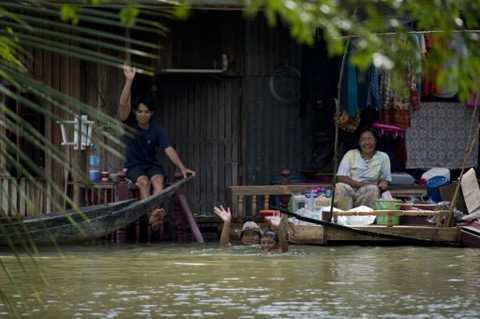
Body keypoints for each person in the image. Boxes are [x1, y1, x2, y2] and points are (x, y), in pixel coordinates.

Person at [120, 65, 196, 230]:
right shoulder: (129, 123)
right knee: (144, 182)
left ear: (151, 113)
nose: (143, 114)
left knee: (158, 181)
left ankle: (153, 215)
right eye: (139, 111)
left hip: (152, 165)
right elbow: (122, 103)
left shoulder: (157, 130)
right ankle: (152, 218)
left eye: (146, 112)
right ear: (135, 112)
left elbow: (169, 150)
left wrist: (183, 168)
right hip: (134, 167)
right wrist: (128, 81)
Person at [335, 127, 392, 211]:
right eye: (363, 140)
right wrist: (363, 184)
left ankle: (365, 219)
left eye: (370, 139)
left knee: (373, 189)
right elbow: (340, 178)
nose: (367, 143)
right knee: (340, 186)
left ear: (375, 141)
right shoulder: (351, 154)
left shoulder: (383, 157)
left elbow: (385, 178)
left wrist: (383, 184)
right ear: (359, 142)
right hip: (351, 189)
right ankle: (344, 218)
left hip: (369, 191)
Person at [214, 206, 288, 252]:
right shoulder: (238, 249)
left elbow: (283, 250)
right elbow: (224, 246)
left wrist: (278, 228)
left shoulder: (264, 247)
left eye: (253, 234)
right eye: (246, 234)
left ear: (260, 237)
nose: (250, 237)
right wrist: (226, 223)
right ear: (241, 238)